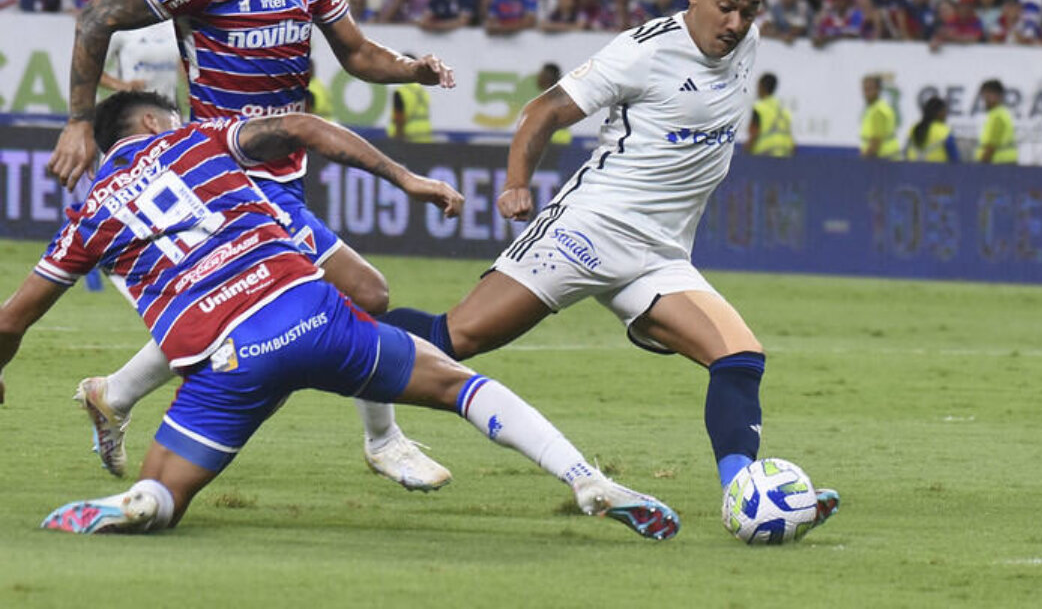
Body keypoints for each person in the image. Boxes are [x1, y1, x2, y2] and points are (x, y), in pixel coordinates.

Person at [0, 92, 677, 540]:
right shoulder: (198, 141)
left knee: (165, 497)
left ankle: (142, 503)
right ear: (152, 124)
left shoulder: (85, 220)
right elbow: (300, 127)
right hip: (310, 310)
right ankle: (587, 479)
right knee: (461, 386)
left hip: (226, 360)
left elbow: (11, 320)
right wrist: (407, 178)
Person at [378, 0, 839, 534]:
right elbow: (542, 111)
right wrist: (517, 183)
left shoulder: (744, 43)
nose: (736, 23)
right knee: (455, 338)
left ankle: (746, 496)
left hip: (661, 255)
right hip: (587, 231)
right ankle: (323, 334)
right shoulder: (641, 52)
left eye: (749, 12)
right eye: (726, 6)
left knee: (739, 359)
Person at [45, 0, 455, 491]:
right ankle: (385, 441)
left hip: (283, 169)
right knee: (366, 294)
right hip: (226, 168)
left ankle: (115, 394)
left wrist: (412, 69)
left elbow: (356, 53)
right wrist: (78, 121)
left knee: (238, 306)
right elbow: (98, 13)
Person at [101, 21, 186, 104]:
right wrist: (123, 86)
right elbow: (91, 69)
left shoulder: (172, 25)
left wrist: (189, 89)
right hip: (131, 107)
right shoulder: (122, 29)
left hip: (168, 105)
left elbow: (182, 61)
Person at [746, 73, 794, 157]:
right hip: (785, 154)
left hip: (765, 155)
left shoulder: (759, 108)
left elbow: (754, 133)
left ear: (762, 87)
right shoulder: (784, 111)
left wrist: (745, 151)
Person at [904, 96, 958, 162]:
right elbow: (955, 159)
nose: (946, 114)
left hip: (912, 169)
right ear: (938, 112)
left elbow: (905, 153)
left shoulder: (914, 128)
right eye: (944, 111)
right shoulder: (944, 131)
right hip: (937, 171)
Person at [975, 79, 1018, 164]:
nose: (985, 100)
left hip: (999, 164)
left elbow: (991, 147)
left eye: (988, 95)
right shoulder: (1000, 113)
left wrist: (980, 166)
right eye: (984, 96)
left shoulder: (997, 116)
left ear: (998, 96)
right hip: (1004, 163)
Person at [860, 74, 900, 159]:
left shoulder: (878, 111)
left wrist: (862, 160)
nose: (866, 93)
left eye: (869, 89)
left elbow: (875, 142)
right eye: (864, 89)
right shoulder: (877, 107)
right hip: (886, 158)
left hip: (883, 160)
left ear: (878, 90)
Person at [537, 63, 572, 145]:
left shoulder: (554, 97)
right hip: (553, 139)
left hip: (556, 141)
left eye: (541, 74)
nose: (538, 78)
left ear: (549, 77)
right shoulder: (550, 95)